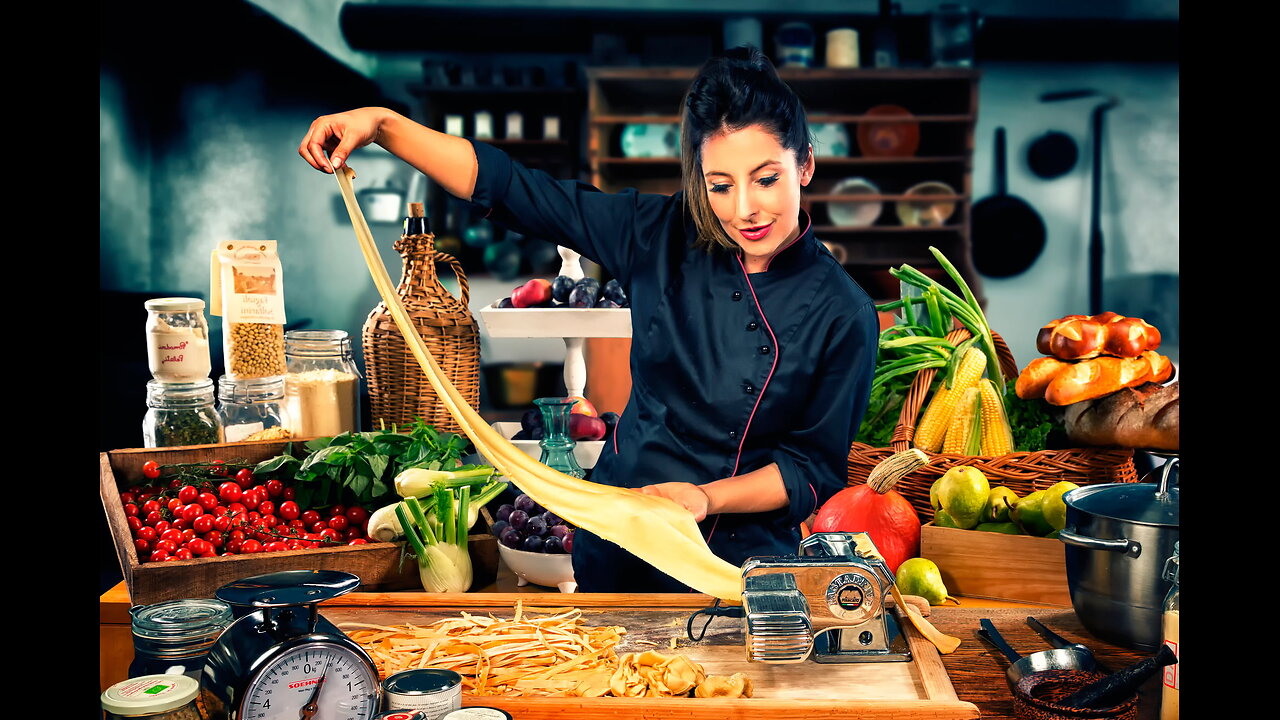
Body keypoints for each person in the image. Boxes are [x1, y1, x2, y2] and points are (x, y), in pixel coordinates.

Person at [299, 46, 879, 593]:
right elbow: (519, 190)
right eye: (719, 186)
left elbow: (810, 470)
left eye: (766, 179)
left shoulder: (843, 312)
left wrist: (704, 498)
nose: (744, 209)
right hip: (617, 545)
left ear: (803, 164)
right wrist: (383, 126)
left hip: (733, 567)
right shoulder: (659, 234)